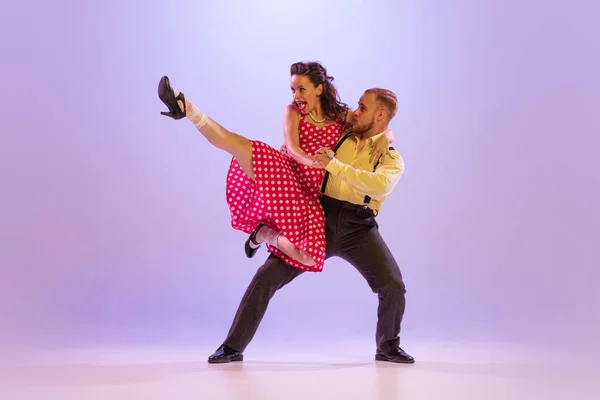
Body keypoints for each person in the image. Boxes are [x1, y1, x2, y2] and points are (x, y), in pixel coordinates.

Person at [207, 88, 415, 364]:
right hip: (320, 217)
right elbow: (314, 113)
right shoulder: (344, 133)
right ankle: (232, 347)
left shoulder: (391, 159)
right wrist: (386, 133)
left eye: (363, 108)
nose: (356, 110)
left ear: (380, 115)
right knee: (266, 277)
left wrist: (379, 140)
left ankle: (387, 347)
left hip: (359, 227)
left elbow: (377, 185)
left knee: (392, 285)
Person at [157, 62, 395, 272]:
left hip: (308, 193)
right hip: (283, 171)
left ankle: (263, 234)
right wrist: (312, 161)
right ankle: (185, 106)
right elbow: (292, 149)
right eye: (292, 89)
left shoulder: (341, 115)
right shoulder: (292, 111)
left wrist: (389, 136)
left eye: (302, 89)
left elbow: (373, 124)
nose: (296, 96)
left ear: (319, 89)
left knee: (310, 258)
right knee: (235, 143)